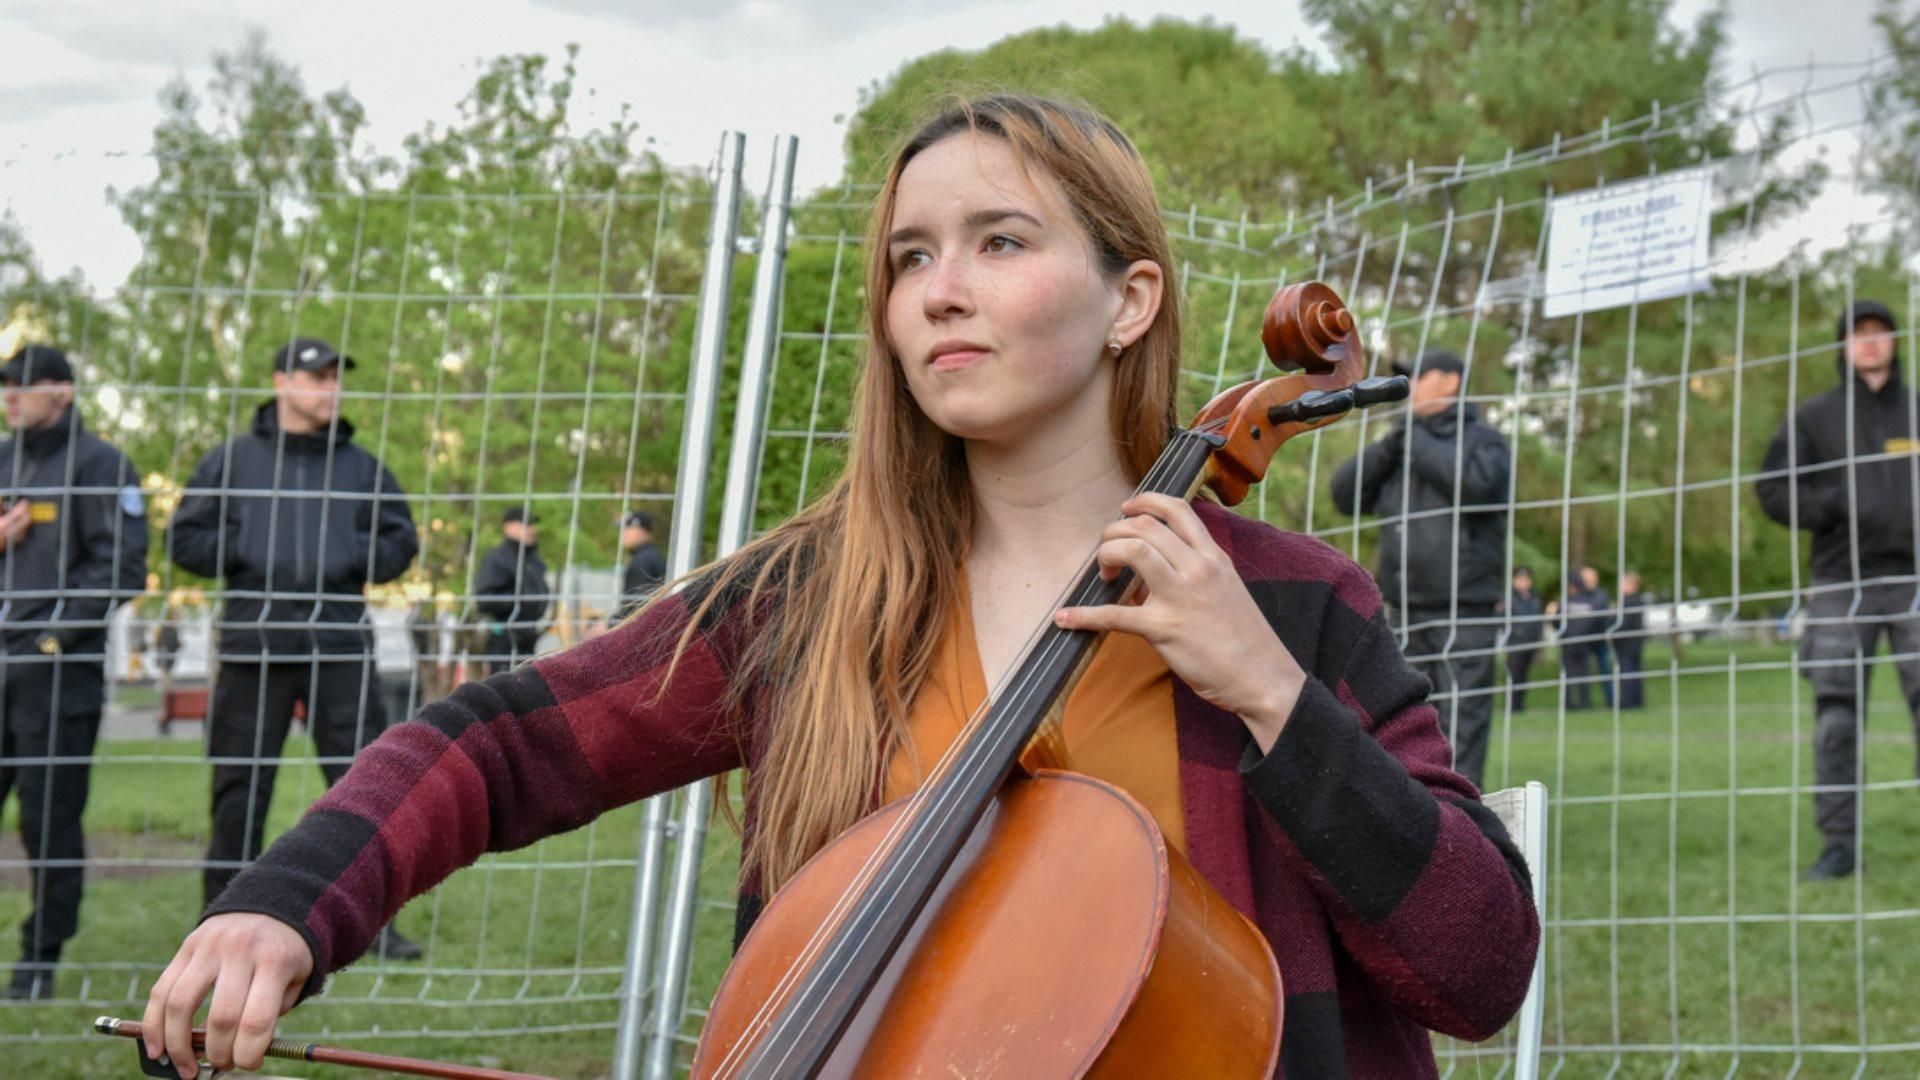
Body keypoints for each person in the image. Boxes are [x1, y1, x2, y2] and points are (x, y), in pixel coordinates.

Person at [143, 96, 1537, 1079]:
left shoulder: (1295, 603)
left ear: (1130, 301)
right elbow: (500, 742)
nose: (939, 289)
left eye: (1000, 242)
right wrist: (285, 900)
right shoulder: (812, 602)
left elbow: (1477, 969)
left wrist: (1278, 703)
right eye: (910, 257)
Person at [166, 337, 423, 958]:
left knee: (364, 783)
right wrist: (250, 547)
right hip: (256, 646)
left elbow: (400, 542)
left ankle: (375, 925)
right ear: (281, 382)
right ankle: (218, 917)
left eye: (336, 377)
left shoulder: (363, 467)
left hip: (338, 644)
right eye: (316, 377)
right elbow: (185, 540)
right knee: (239, 788)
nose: (329, 388)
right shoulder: (230, 462)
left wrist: (347, 557)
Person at [0, 345, 147, 999]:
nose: (10, 397)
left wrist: (53, 638)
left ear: (62, 391)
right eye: (5, 386)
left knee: (48, 819)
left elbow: (120, 568)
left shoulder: (101, 463)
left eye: (24, 386)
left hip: (58, 672)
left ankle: (39, 960)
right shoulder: (4, 458)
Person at [1756, 298, 1920, 882]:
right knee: (1837, 718)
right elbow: (1771, 491)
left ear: (1896, 341)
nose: (1870, 342)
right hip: (1838, 585)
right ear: (1843, 346)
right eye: (1859, 333)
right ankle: (1839, 846)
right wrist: (1834, 504)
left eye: (1880, 332)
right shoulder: (1814, 418)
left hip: (1914, 585)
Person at [1329, 346, 1512, 788]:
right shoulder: (1400, 445)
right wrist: (1394, 441)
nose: (1411, 388)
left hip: (1463, 609)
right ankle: (1418, 806)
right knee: (1408, 720)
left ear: (1450, 381)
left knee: (1464, 718)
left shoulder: (1484, 441)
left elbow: (1479, 487)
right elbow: (1344, 494)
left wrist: (1414, 437)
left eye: (1421, 376)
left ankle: (1466, 813)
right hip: (1404, 611)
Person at [472, 507, 550, 674]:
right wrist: (521, 602)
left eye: (531, 524)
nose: (531, 529)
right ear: (508, 527)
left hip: (529, 636)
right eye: (525, 524)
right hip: (505, 637)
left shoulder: (533, 559)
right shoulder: (497, 558)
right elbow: (485, 598)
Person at [1558, 566, 1612, 710]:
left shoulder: (1599, 596)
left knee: (1588, 672)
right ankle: (1573, 703)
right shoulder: (1570, 600)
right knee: (1573, 673)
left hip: (1592, 641)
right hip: (1576, 643)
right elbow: (1557, 621)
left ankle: (1587, 702)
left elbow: (1601, 620)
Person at [1503, 567, 1545, 712]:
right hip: (1516, 644)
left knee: (1524, 676)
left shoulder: (1534, 597)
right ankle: (1512, 706)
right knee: (1514, 675)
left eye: (1526, 579)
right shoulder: (1508, 598)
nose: (1524, 582)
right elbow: (1500, 619)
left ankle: (1520, 705)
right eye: (1520, 579)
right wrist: (1515, 632)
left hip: (1531, 643)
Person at [616, 509, 666, 619]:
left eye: (628, 528)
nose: (623, 534)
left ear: (640, 530)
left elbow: (634, 605)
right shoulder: (652, 555)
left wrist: (610, 624)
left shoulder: (643, 560)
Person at [1613, 571, 1648, 710]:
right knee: (1635, 672)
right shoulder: (1637, 600)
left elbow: (1623, 624)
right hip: (1635, 643)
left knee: (1628, 673)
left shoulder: (1628, 602)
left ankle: (1628, 702)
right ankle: (1636, 701)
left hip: (1626, 644)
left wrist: (1613, 632)